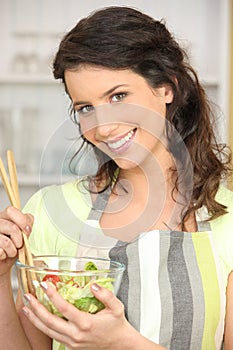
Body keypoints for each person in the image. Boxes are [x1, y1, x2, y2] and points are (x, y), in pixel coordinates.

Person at [0, 5, 233, 350]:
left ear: (166, 88)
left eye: (118, 96)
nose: (103, 127)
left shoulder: (228, 220)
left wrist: (121, 343)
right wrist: (1, 278)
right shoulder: (49, 212)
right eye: (85, 108)